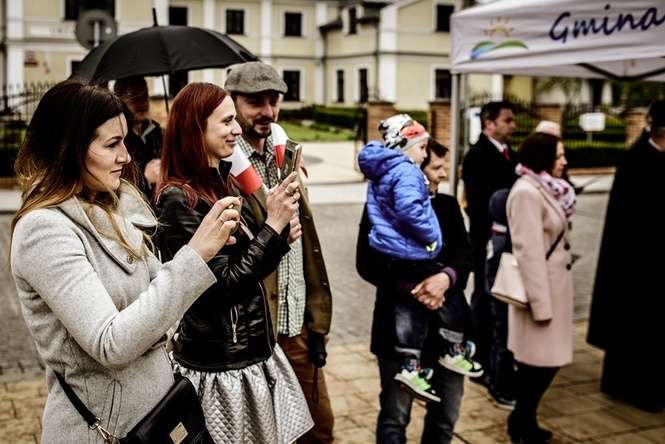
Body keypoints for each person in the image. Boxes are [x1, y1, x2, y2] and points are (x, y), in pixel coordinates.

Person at [9, 80, 239, 443]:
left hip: (159, 415)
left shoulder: (111, 206)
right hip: (107, 430)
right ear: (69, 149)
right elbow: (111, 343)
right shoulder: (44, 230)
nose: (127, 157)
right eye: (112, 144)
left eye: (125, 142)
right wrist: (195, 255)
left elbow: (166, 310)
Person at [155, 82, 314, 443]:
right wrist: (272, 227)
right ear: (196, 128)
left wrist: (278, 236)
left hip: (251, 350)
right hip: (220, 360)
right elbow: (218, 288)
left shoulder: (220, 182)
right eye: (226, 122)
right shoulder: (179, 199)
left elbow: (242, 262)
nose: (237, 130)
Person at [225, 61, 334, 443]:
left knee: (319, 430)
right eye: (256, 102)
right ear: (233, 101)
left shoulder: (286, 155)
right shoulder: (223, 165)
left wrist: (316, 317)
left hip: (296, 323)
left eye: (273, 101)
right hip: (256, 330)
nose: (268, 112)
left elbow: (308, 244)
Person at [357, 115, 482, 403]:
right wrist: (415, 288)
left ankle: (454, 353)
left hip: (446, 330)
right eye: (436, 167)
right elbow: (366, 263)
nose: (443, 175)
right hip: (397, 334)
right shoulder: (383, 207)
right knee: (395, 415)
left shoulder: (448, 206)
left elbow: (466, 255)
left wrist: (444, 279)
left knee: (447, 414)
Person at [587, 99, 665, 413]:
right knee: (636, 330)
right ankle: (635, 389)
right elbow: (629, 218)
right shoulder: (636, 161)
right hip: (636, 262)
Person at [506, 131, 575, 444]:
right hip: (539, 295)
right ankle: (520, 421)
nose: (564, 161)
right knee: (537, 366)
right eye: (559, 155)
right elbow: (529, 252)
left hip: (554, 289)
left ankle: (525, 420)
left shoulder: (545, 187)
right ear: (542, 157)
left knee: (545, 363)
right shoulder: (526, 192)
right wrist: (540, 305)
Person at [461, 100, 518, 406]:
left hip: (509, 241)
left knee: (496, 303)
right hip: (487, 241)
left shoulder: (511, 154)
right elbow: (477, 203)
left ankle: (495, 358)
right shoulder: (477, 155)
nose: (513, 125)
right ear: (489, 123)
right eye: (507, 120)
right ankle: (480, 361)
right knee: (484, 301)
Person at [114, 76, 163, 199]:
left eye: (145, 97)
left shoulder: (157, 131)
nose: (142, 103)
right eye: (135, 98)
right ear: (120, 100)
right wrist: (145, 179)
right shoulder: (118, 137)